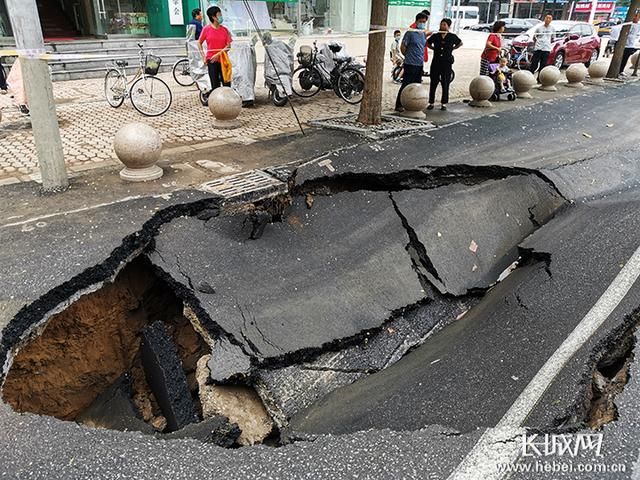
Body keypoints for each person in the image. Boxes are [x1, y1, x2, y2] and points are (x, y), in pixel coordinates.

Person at [426, 18, 462, 111]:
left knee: (445, 82)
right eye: (441, 24)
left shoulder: (452, 36)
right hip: (436, 62)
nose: (442, 26)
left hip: (447, 63)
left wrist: (452, 48)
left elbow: (460, 43)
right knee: (434, 82)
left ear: (448, 26)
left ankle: (444, 103)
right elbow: (428, 43)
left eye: (444, 25)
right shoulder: (435, 36)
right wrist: (433, 48)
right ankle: (431, 102)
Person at [395, 12, 429, 112]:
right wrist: (408, 57)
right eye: (421, 21)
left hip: (419, 63)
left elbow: (423, 47)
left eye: (424, 22)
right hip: (410, 63)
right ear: (416, 21)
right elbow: (403, 47)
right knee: (406, 84)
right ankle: (399, 104)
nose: (422, 23)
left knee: (417, 85)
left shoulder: (423, 33)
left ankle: (413, 104)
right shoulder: (410, 33)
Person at [198, 6, 232, 93]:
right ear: (213, 17)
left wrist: (218, 54)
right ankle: (217, 104)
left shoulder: (225, 30)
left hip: (223, 61)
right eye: (219, 15)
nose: (221, 16)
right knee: (215, 84)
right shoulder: (206, 29)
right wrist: (203, 56)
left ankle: (227, 102)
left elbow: (228, 46)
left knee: (227, 83)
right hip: (212, 61)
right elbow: (199, 43)